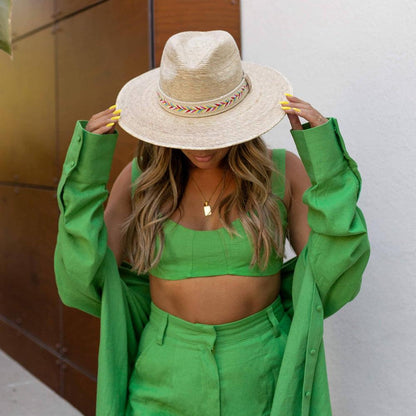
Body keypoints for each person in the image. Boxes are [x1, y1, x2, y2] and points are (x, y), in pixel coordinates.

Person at [54, 30, 370, 416]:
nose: (201, 146)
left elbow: (334, 268)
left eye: (214, 128)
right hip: (165, 370)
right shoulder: (141, 179)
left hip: (262, 369)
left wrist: (326, 161)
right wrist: (85, 178)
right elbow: (83, 277)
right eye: (189, 131)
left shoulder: (283, 172)